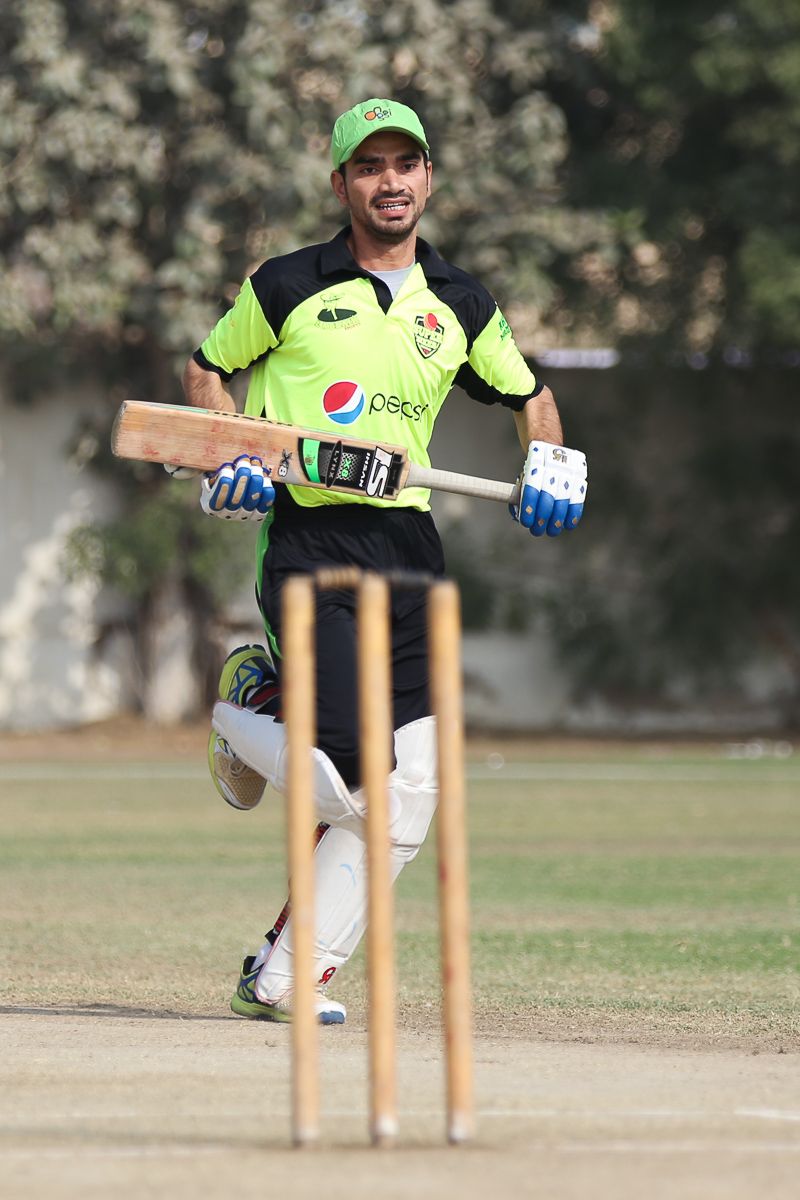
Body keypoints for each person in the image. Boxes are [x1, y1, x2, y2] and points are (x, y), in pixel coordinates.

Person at [176, 98, 587, 1025]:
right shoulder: (286, 284)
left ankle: (282, 979)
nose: (389, 181)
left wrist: (550, 459)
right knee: (350, 766)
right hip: (310, 538)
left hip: (409, 549)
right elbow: (204, 369)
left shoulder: (462, 304)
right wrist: (230, 447)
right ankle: (248, 708)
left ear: (428, 178)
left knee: (412, 790)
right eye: (369, 167)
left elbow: (530, 395)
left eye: (405, 164)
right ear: (342, 185)